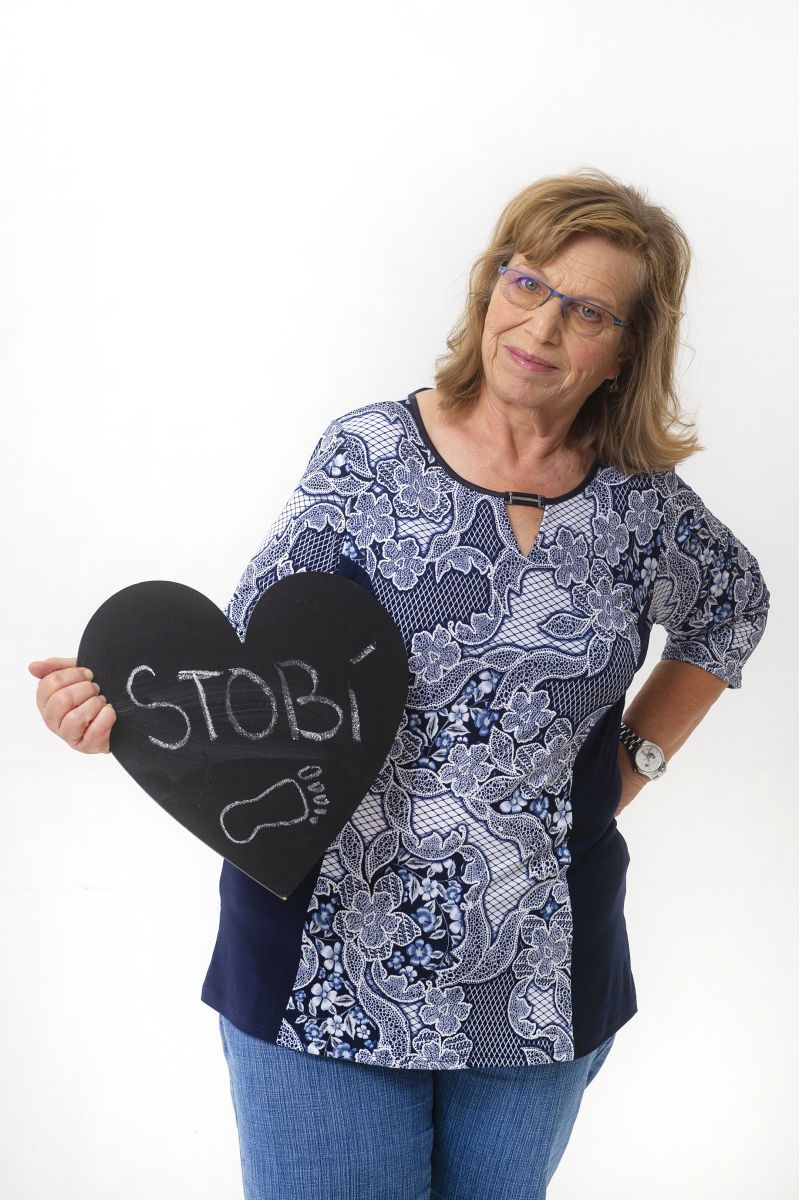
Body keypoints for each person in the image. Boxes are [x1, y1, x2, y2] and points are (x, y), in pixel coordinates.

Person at [30, 168, 770, 1200]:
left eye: (586, 310)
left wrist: (630, 762)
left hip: (541, 977)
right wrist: (116, 715)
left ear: (626, 348)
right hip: (323, 964)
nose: (542, 326)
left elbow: (731, 606)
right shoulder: (369, 453)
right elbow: (237, 666)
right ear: (490, 286)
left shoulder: (643, 508)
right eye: (527, 282)